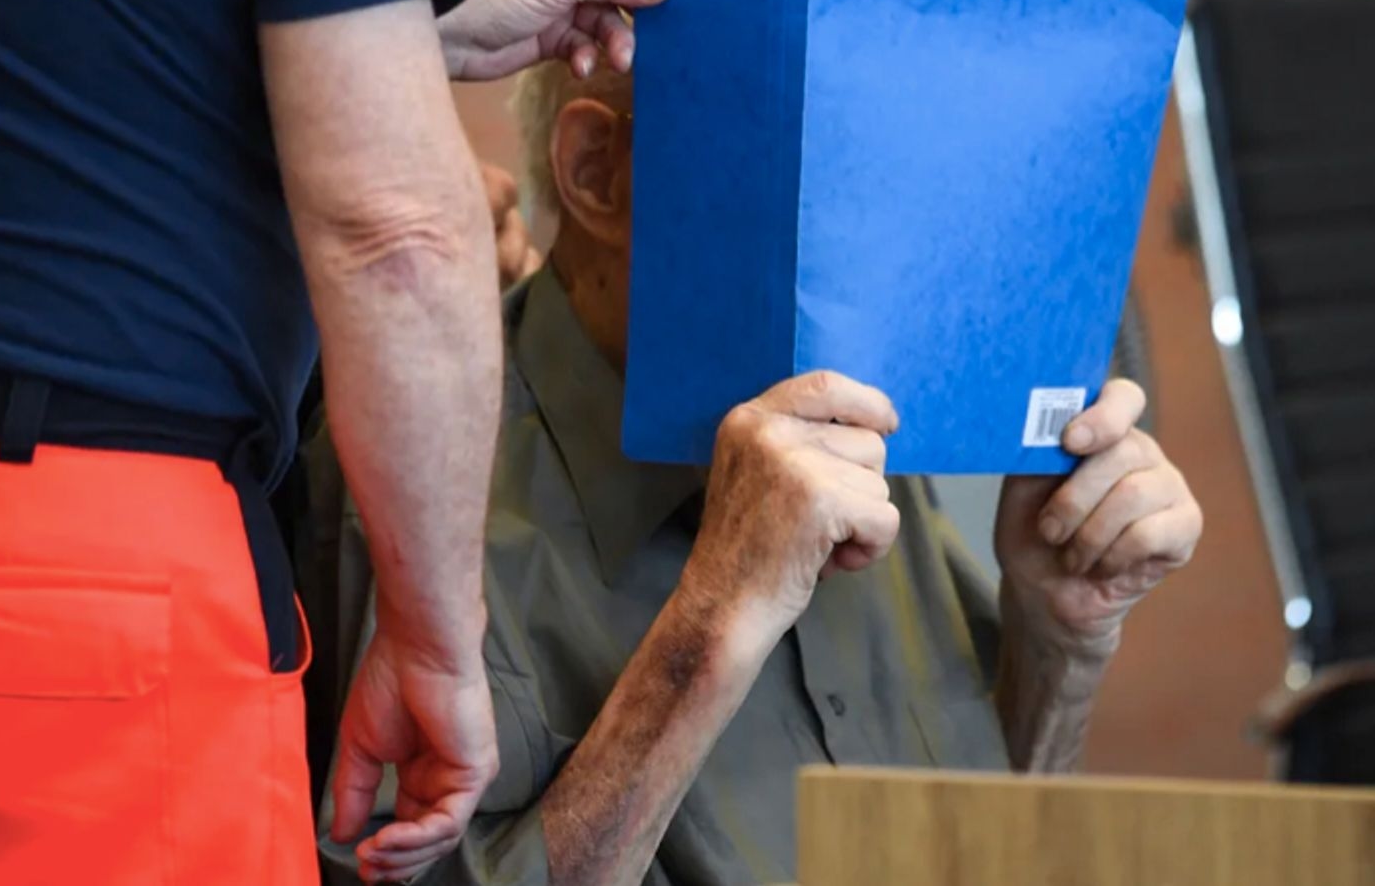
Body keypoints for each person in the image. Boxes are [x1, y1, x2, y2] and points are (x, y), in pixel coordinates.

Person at [0, 0, 667, 881]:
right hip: (75, 600)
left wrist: (407, 17)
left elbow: (44, 24)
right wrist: (436, 640)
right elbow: (398, 238)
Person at [308, 61, 1203, 885]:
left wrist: (1061, 636)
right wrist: (716, 619)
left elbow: (994, 851)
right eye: (819, 166)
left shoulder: (841, 410)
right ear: (596, 172)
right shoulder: (426, 488)